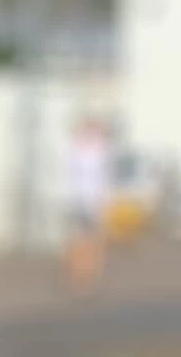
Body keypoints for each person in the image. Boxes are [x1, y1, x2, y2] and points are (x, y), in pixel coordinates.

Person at [64, 115, 113, 293]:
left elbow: (105, 177)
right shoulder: (78, 148)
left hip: (94, 199)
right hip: (81, 198)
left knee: (93, 239)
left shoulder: (101, 149)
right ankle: (80, 275)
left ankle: (90, 274)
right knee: (81, 238)